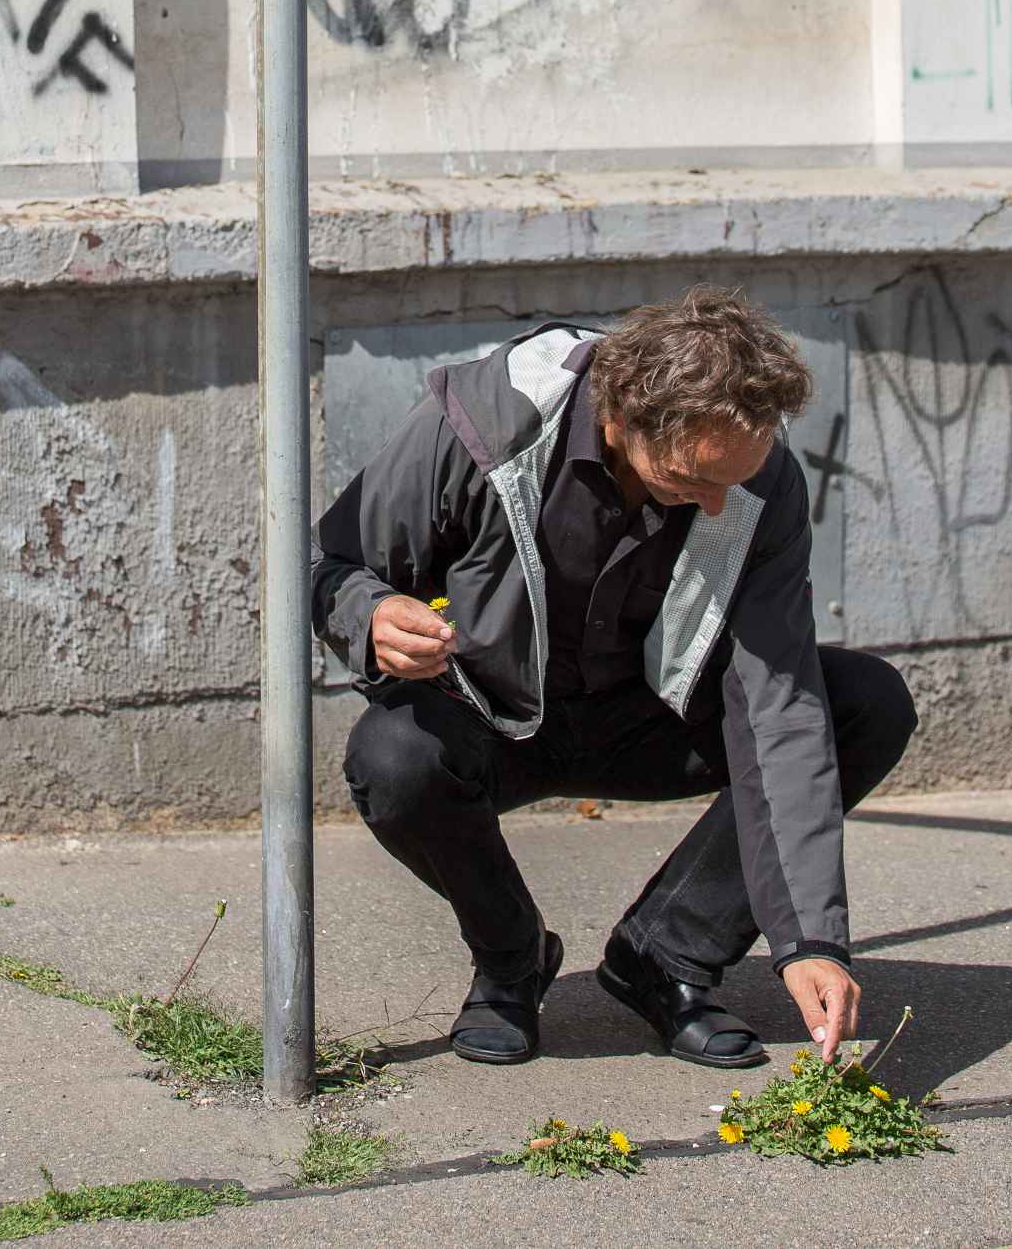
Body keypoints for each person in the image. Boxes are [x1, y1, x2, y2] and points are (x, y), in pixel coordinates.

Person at [312, 288, 917, 1069]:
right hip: (491, 717)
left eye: (733, 480)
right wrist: (370, 615)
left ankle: (666, 957)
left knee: (863, 703)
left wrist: (808, 940)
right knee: (393, 757)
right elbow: (328, 564)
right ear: (623, 414)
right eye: (690, 479)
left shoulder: (754, 483)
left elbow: (778, 704)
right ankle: (510, 959)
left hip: (652, 720)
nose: (716, 505)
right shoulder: (481, 425)